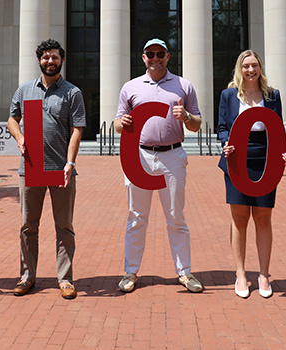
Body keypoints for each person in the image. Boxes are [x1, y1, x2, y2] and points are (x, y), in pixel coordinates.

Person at [115, 38, 204, 293]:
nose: (155, 58)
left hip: (172, 156)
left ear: (167, 56)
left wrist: (186, 116)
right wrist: (125, 122)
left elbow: (196, 124)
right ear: (143, 57)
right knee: (136, 217)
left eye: (160, 53)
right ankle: (130, 272)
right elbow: (117, 124)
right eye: (150, 53)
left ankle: (185, 273)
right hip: (139, 156)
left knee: (176, 217)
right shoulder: (130, 87)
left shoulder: (183, 85)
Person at [8, 39, 85, 300]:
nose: (50, 61)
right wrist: (19, 137)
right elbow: (12, 118)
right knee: (28, 226)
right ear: (39, 60)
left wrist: (70, 162)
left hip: (60, 169)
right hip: (30, 167)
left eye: (54, 57)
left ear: (62, 60)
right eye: (45, 57)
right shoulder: (24, 89)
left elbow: (77, 130)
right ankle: (27, 277)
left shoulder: (72, 92)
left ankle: (65, 278)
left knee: (64, 226)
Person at [217, 50, 286, 298]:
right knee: (239, 219)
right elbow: (222, 127)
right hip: (236, 159)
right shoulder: (229, 94)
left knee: (263, 218)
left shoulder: (272, 95)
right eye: (246, 66)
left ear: (260, 68)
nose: (250, 70)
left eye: (254, 65)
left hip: (265, 160)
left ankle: (263, 274)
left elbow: (277, 125)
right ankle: (240, 274)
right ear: (240, 69)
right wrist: (226, 142)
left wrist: (283, 152)